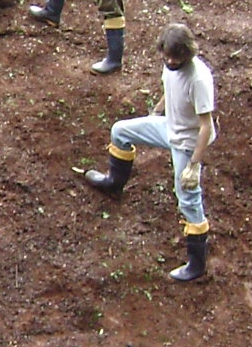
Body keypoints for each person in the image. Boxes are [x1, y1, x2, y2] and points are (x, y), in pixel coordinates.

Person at [85, 24, 216, 283]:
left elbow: (206, 126)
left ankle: (197, 263)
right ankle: (114, 182)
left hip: (187, 142)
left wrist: (193, 165)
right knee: (120, 131)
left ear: (187, 54)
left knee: (187, 197)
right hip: (169, 127)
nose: (170, 61)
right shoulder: (170, 65)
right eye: (166, 56)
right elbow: (170, 90)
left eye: (175, 58)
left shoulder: (198, 78)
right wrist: (155, 113)